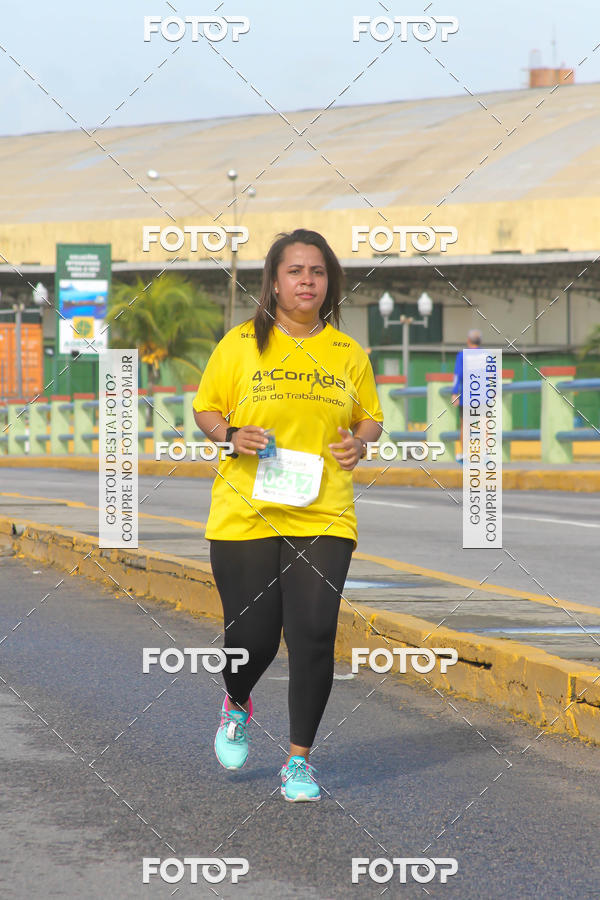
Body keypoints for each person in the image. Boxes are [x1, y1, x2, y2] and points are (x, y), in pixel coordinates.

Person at [193, 228, 383, 802]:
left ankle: (298, 760)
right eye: (296, 271)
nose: (307, 281)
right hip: (245, 512)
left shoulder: (348, 353)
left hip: (323, 512)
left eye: (318, 272)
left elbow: (368, 417)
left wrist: (361, 443)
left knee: (314, 631)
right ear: (274, 282)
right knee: (253, 639)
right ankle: (237, 699)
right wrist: (230, 435)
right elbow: (205, 408)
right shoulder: (241, 344)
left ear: (331, 283)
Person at [451, 329, 482, 463]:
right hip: (483, 396)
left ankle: (464, 454)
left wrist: (454, 393)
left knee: (464, 424)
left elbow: (457, 375)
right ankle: (484, 454)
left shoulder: (462, 355)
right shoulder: (487, 355)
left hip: (467, 396)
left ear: (468, 341)